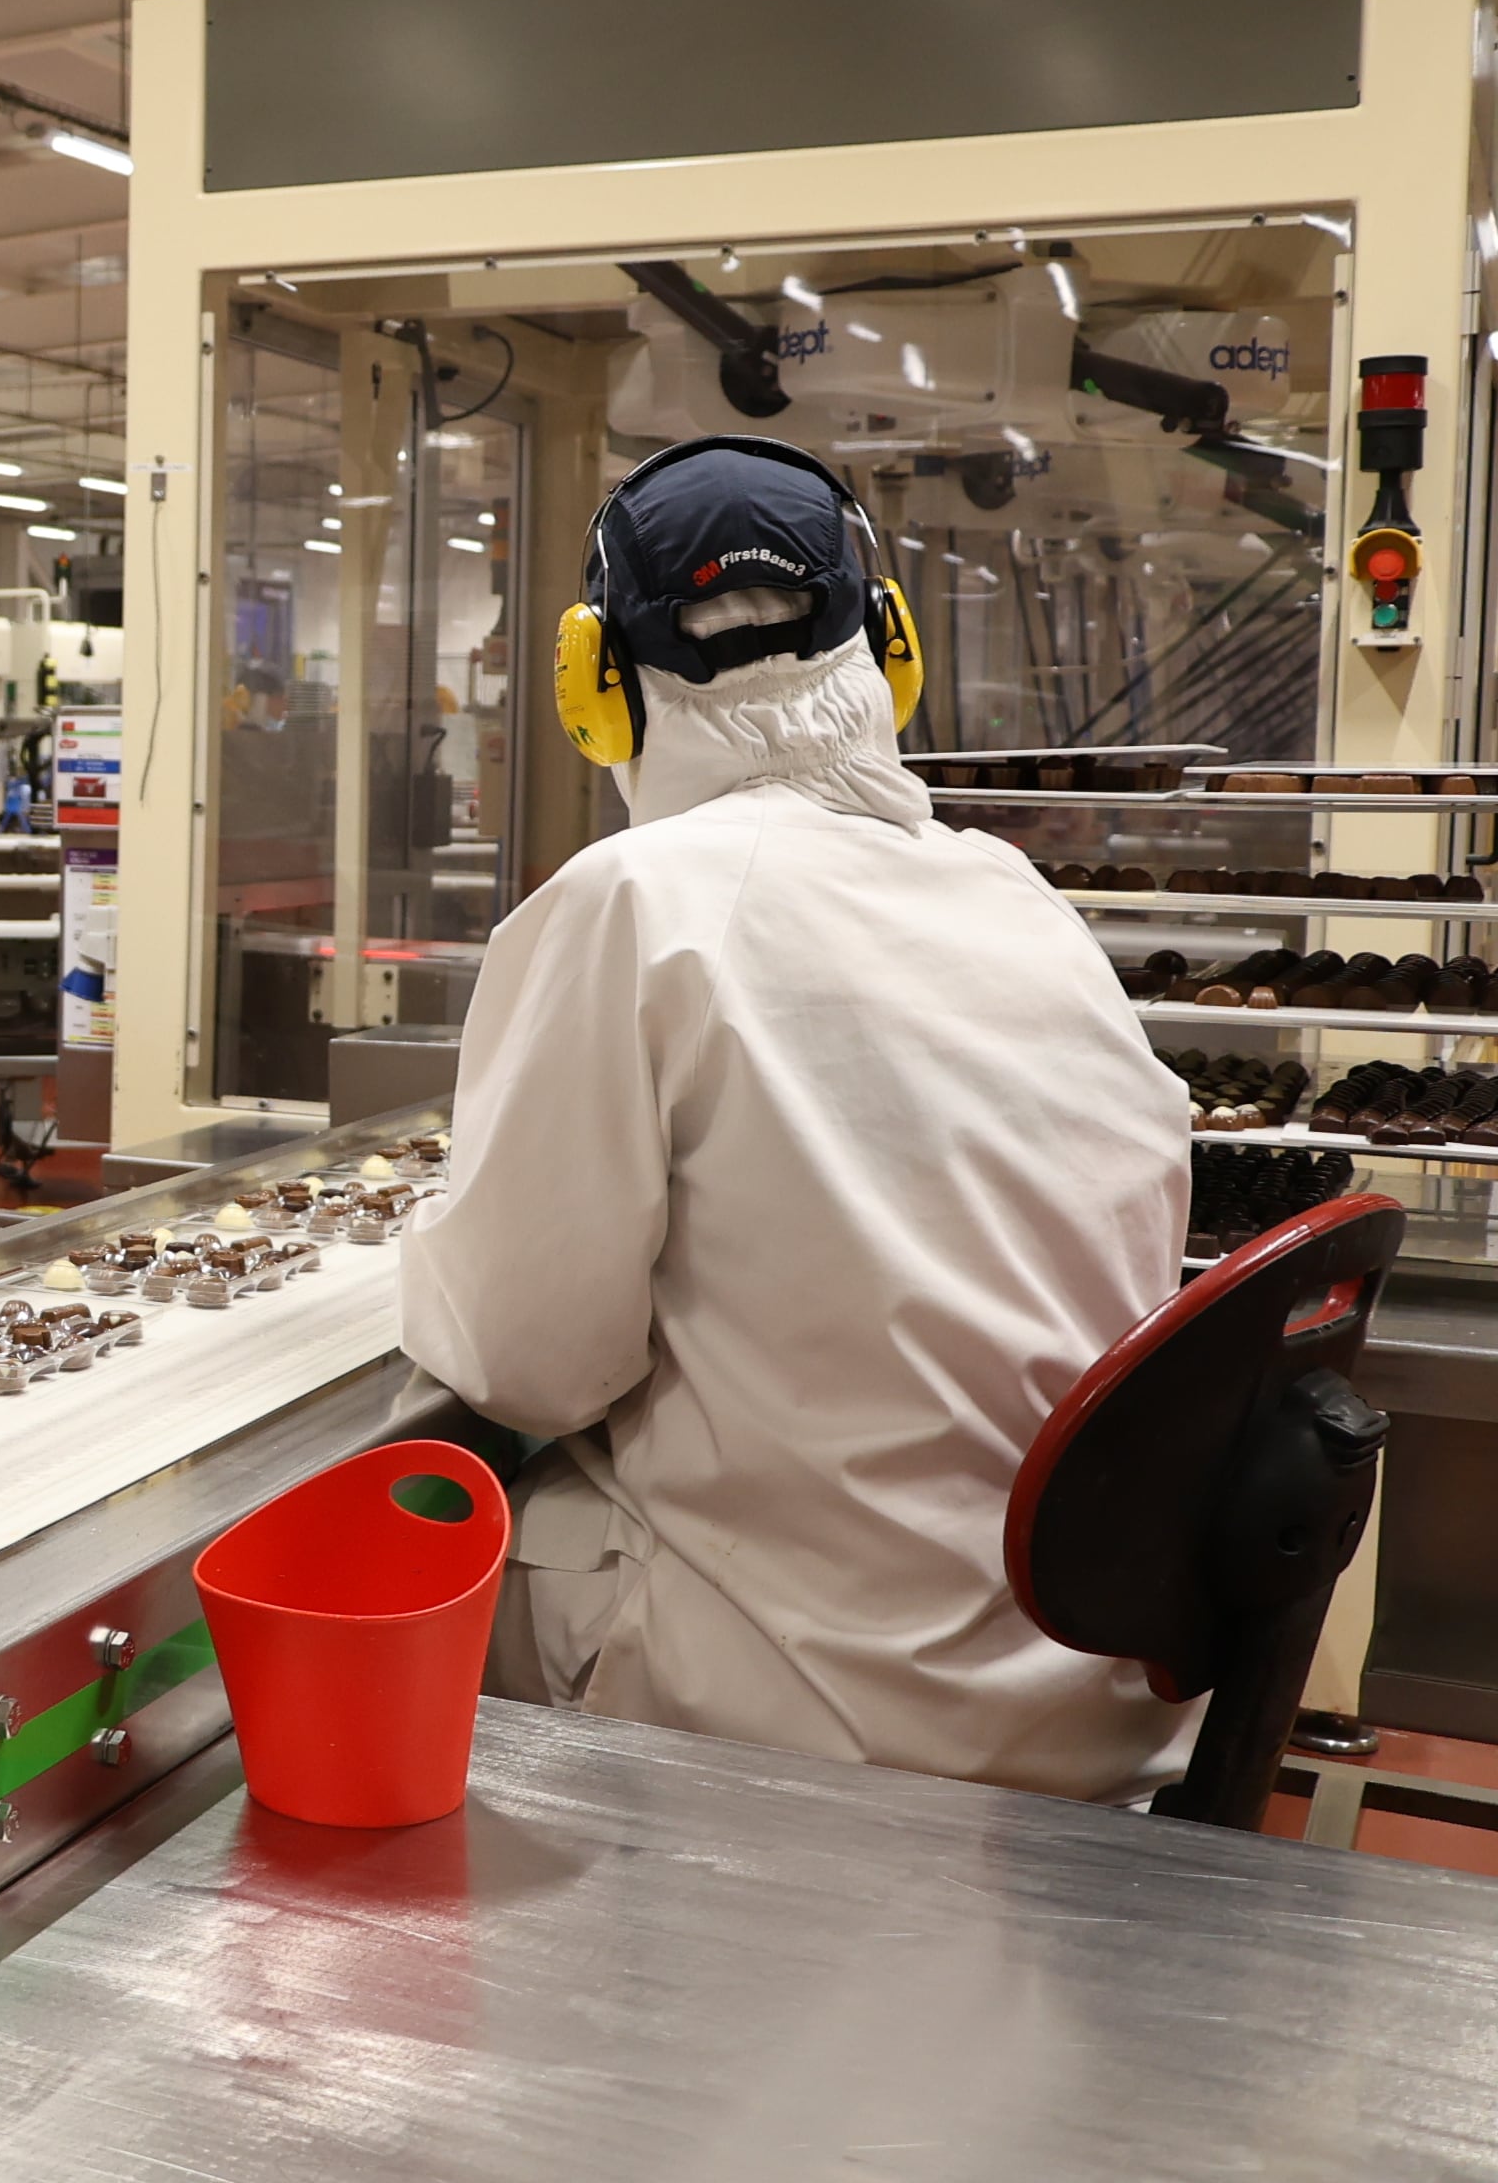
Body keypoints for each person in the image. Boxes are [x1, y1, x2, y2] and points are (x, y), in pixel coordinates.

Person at [399, 435, 1194, 1805]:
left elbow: (531, 1367)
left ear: (598, 690)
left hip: (813, 1697)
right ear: (889, 651)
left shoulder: (634, 903)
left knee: (404, 1574)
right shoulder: (1014, 896)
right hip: (1088, 1690)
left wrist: (435, 1238)